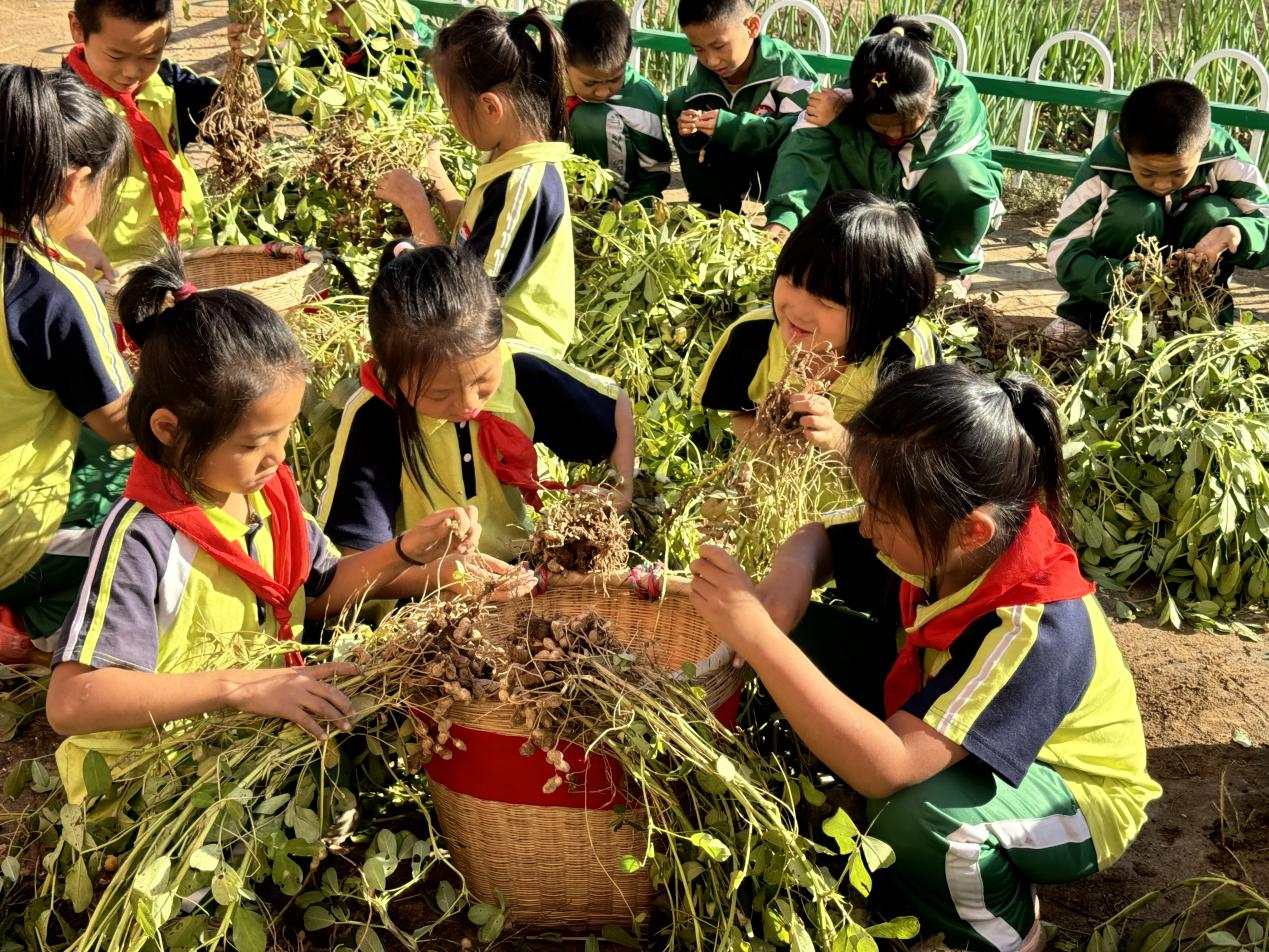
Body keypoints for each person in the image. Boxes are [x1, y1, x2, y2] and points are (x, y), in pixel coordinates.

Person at [690, 363, 1161, 952]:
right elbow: (819, 540)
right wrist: (785, 590)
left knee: (913, 815)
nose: (866, 528)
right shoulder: (936, 540)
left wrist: (761, 637)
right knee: (800, 635)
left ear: (971, 531)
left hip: (1074, 799)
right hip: (945, 715)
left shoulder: (1032, 627)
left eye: (880, 515)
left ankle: (1009, 933)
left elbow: (886, 767)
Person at [45, 244, 489, 803]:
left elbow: (320, 591)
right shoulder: (145, 534)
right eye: (254, 443)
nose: (276, 459)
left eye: (283, 435)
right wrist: (237, 688)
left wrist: (413, 553)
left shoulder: (265, 495)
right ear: (167, 429)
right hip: (153, 782)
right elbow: (72, 701)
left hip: (244, 758)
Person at [319, 243, 635, 567]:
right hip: (417, 591)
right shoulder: (375, 416)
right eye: (439, 394)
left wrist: (621, 488)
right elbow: (354, 561)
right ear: (389, 370)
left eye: (482, 381)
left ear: (497, 338)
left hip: (519, 568)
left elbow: (615, 405)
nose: (469, 404)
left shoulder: (521, 372)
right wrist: (444, 575)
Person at [0, 66, 132, 667]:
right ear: (73, 183)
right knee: (160, 516)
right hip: (12, 541)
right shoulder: (54, 293)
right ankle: (42, 625)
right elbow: (122, 422)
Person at [373, 7, 576, 357]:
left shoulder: (524, 183)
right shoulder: (506, 157)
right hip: (480, 340)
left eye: (451, 108)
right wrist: (436, 177)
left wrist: (415, 206)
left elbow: (461, 301)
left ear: (489, 107)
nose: (450, 120)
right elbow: (470, 240)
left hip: (508, 360)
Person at [766, 16, 1004, 283]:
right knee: (819, 136)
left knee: (960, 176)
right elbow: (804, 144)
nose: (893, 134)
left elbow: (899, 185)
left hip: (936, 204)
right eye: (879, 126)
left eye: (904, 124)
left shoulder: (957, 106)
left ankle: (950, 269)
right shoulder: (859, 90)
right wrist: (783, 219)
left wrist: (842, 125)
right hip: (882, 195)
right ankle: (848, 246)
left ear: (931, 91)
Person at [1048, 78, 1269, 333]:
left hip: (1195, 291)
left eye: (1178, 172)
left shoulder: (1227, 159)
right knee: (1133, 212)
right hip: (1113, 291)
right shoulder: (1102, 167)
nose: (1163, 184)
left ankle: (1200, 321)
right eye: (1148, 172)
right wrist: (1118, 278)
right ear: (1122, 143)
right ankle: (1086, 319)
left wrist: (1240, 233)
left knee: (1216, 214)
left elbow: (1264, 218)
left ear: (1205, 142)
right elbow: (1061, 250)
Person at [62, 0, 220, 278]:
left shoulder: (170, 83)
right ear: (77, 28)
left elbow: (230, 118)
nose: (132, 72)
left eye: (149, 56)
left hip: (190, 254)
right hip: (112, 273)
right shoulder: (62, 106)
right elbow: (39, 191)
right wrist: (75, 238)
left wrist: (243, 61)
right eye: (116, 56)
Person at [666, 0, 816, 214]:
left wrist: (731, 126)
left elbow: (800, 136)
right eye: (698, 49)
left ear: (752, 27)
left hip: (776, 174)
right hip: (731, 168)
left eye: (719, 46)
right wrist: (691, 130)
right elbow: (700, 141)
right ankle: (715, 207)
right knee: (678, 101)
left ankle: (783, 216)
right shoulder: (705, 71)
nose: (711, 60)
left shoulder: (787, 69)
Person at [228, 0, 434, 118]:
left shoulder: (405, 29)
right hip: (331, 153)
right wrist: (258, 56)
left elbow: (421, 95)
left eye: (352, 5)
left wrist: (362, 116)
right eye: (330, 10)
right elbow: (275, 90)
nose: (344, 21)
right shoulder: (302, 35)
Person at [561, 0, 671, 204]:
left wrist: (637, 204)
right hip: (565, 183)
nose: (603, 91)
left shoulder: (641, 97)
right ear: (565, 62)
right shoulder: (549, 81)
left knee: (590, 118)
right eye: (590, 82)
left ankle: (602, 201)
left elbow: (655, 170)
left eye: (614, 79)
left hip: (623, 195)